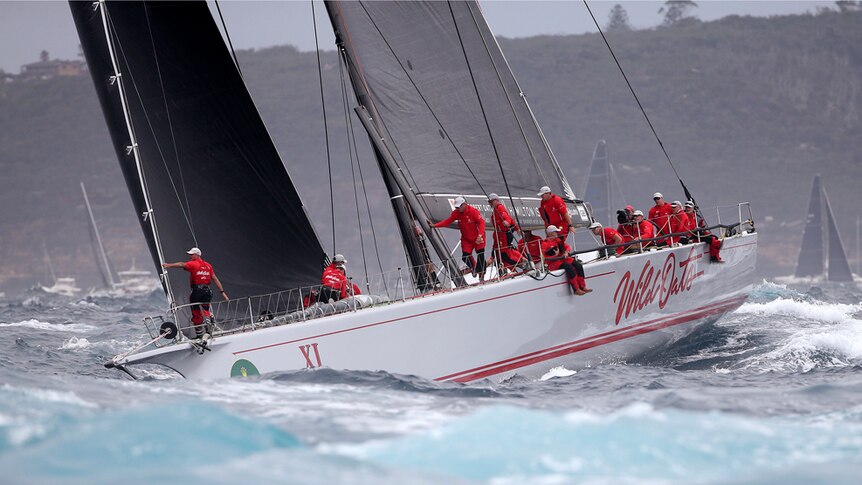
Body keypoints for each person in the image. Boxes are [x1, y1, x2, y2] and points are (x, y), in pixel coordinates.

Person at [162, 247, 228, 337]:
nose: (189, 256)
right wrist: (222, 292)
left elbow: (182, 264)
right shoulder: (208, 266)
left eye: (191, 254)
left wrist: (168, 265)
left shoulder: (193, 264)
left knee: (196, 313)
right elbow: (215, 279)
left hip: (197, 291)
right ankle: (209, 323)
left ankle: (200, 335)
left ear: (197, 255)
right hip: (207, 291)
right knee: (205, 309)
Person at [431, 196, 487, 281]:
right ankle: (474, 268)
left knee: (481, 256)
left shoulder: (473, 211)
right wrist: (434, 225)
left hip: (478, 238)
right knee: (465, 257)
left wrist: (480, 235)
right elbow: (447, 222)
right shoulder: (456, 213)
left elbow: (481, 223)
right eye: (456, 207)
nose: (457, 209)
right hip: (466, 239)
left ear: (464, 204)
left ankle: (481, 275)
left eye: (458, 207)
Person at [542, 225, 591, 296]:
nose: (557, 233)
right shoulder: (545, 243)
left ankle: (582, 286)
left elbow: (567, 246)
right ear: (551, 233)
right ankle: (576, 289)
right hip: (553, 263)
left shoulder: (557, 240)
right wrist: (555, 255)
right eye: (555, 232)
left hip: (562, 259)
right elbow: (544, 257)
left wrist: (566, 252)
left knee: (578, 265)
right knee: (569, 267)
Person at [488, 193, 521, 269]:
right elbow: (511, 219)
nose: (490, 204)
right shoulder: (495, 210)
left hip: (504, 235)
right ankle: (520, 261)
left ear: (496, 201)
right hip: (499, 235)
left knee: (505, 254)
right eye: (489, 202)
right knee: (497, 253)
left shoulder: (500, 208)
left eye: (491, 202)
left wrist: (507, 223)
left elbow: (507, 218)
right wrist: (517, 228)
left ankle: (521, 262)